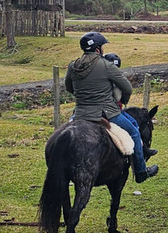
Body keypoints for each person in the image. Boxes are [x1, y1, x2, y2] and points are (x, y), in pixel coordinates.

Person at [65, 32, 159, 183]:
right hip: (106, 112)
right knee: (134, 133)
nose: (103, 50)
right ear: (97, 50)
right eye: (102, 47)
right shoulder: (106, 65)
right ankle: (141, 171)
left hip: (80, 113)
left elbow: (69, 87)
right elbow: (127, 87)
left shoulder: (73, 65)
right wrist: (124, 100)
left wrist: (84, 97)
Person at [103, 53, 155, 157]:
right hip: (111, 111)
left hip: (84, 110)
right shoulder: (115, 78)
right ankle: (141, 167)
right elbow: (119, 96)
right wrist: (124, 100)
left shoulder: (96, 75)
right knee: (134, 127)